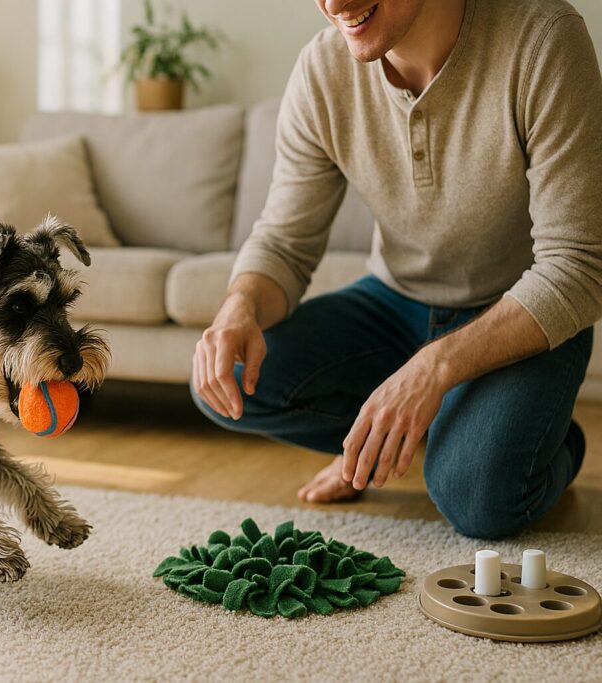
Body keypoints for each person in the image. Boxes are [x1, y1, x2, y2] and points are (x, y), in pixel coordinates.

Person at [192, 0, 602, 539]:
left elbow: (577, 266)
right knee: (229, 380)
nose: (334, 5)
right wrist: (238, 308)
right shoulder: (321, 71)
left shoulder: (544, 39)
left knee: (478, 499)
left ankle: (549, 440)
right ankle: (426, 429)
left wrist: (434, 370)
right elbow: (285, 243)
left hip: (519, 317)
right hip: (393, 304)